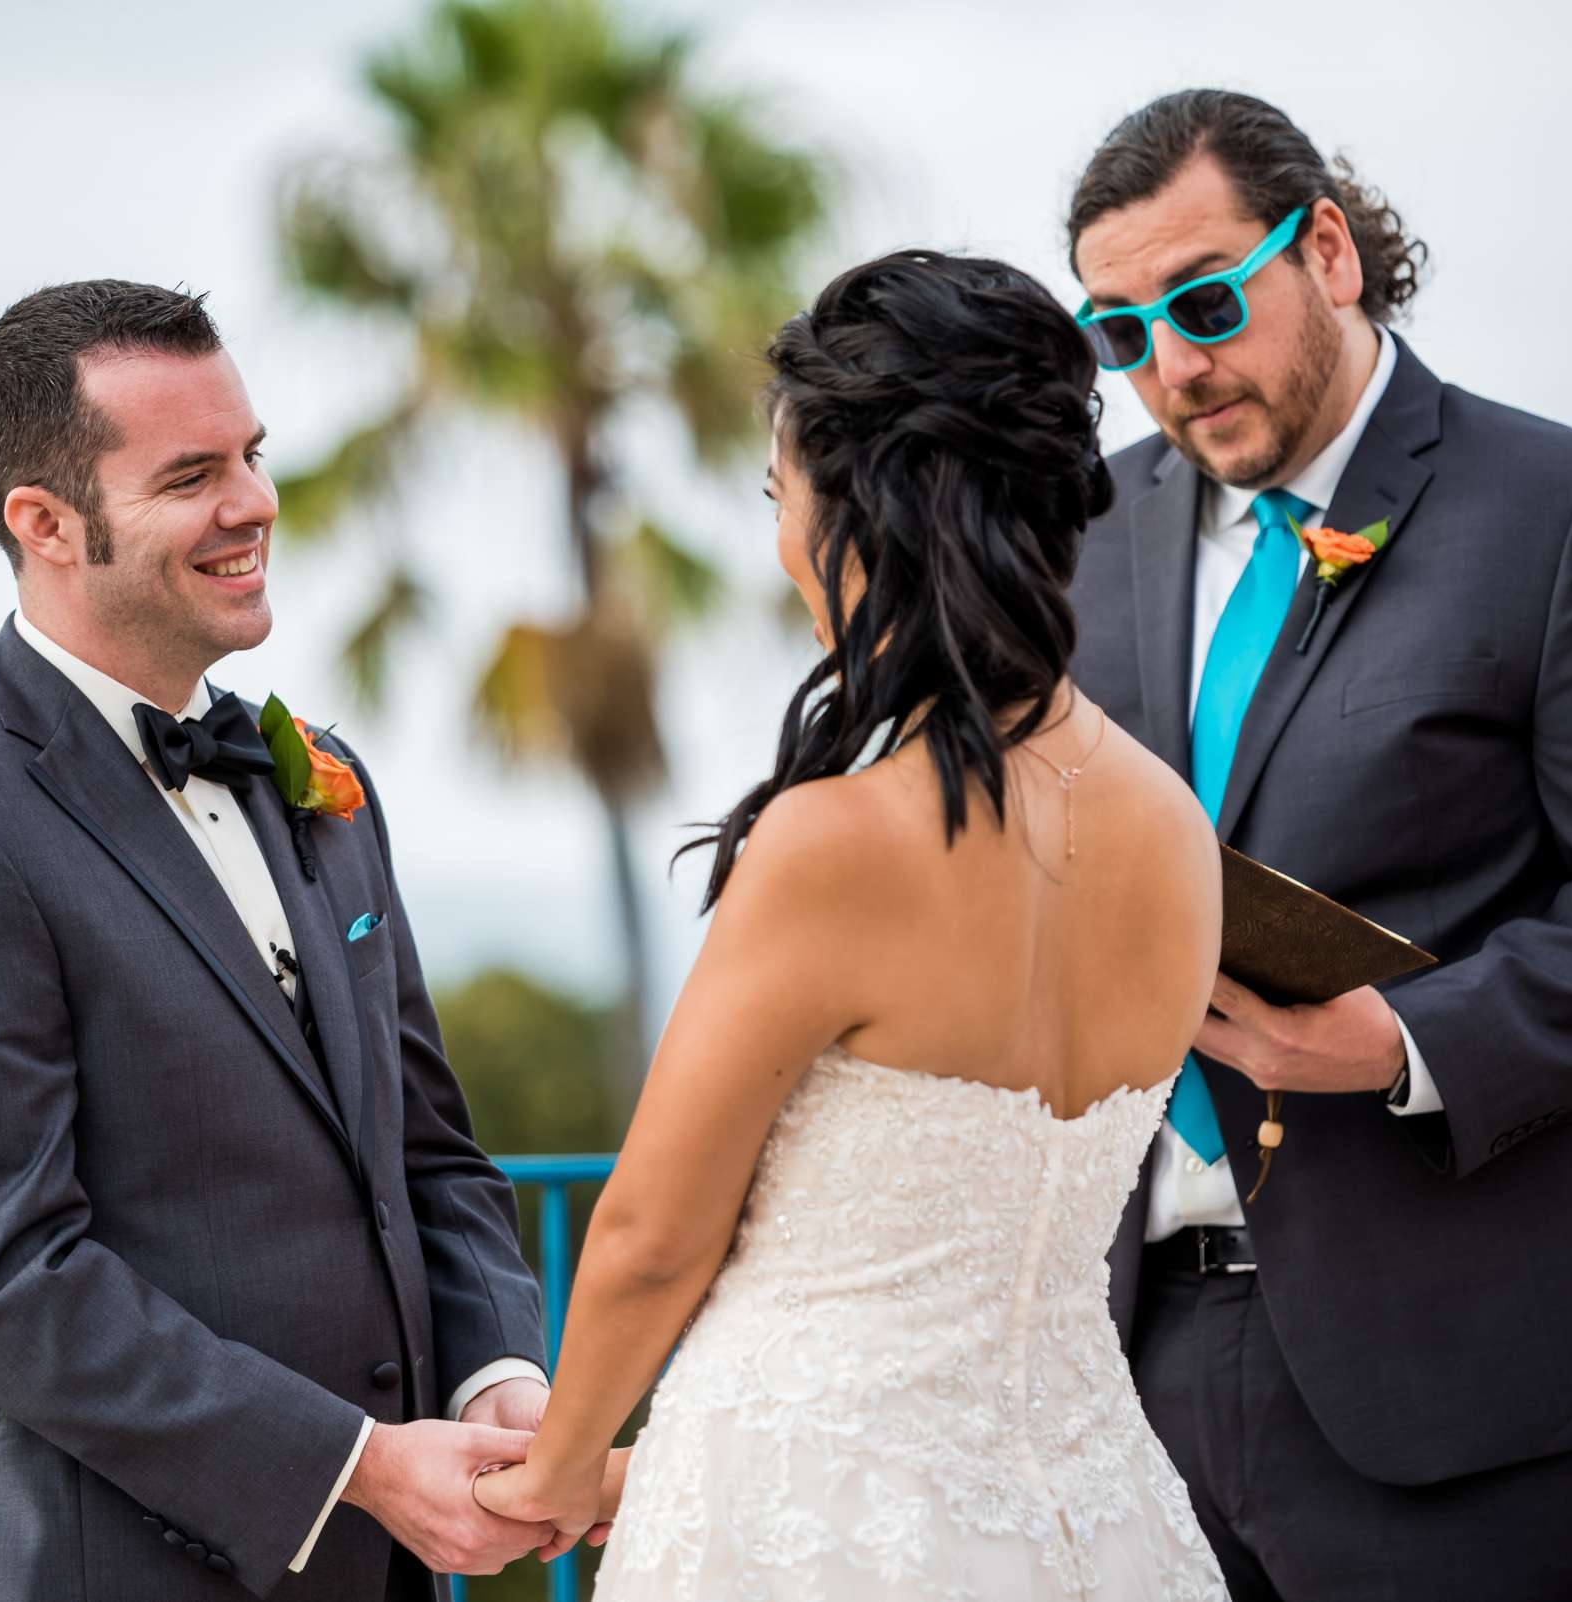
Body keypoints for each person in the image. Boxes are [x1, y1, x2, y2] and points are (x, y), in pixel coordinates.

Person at [1062, 90, 1572, 1600]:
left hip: (1485, 1377)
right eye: (1122, 335)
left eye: (1204, 302)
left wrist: (1400, 1038)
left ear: (1325, 247)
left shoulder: (1568, 508)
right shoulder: (1082, 532)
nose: (1176, 371)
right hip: (1139, 1360)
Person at [471, 251, 1231, 1600]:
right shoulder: (1177, 828)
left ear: (862, 507)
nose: (781, 540)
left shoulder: (836, 841)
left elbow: (653, 1230)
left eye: (782, 493)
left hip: (811, 1529)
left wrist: (558, 1465)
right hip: (1100, 1517)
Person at [0, 280, 560, 1601]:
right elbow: (3, 1283)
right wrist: (358, 1464)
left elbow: (428, 1151)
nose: (255, 502)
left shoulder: (317, 780)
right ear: (45, 523)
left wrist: (499, 1370)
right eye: (193, 474)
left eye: (254, 455)